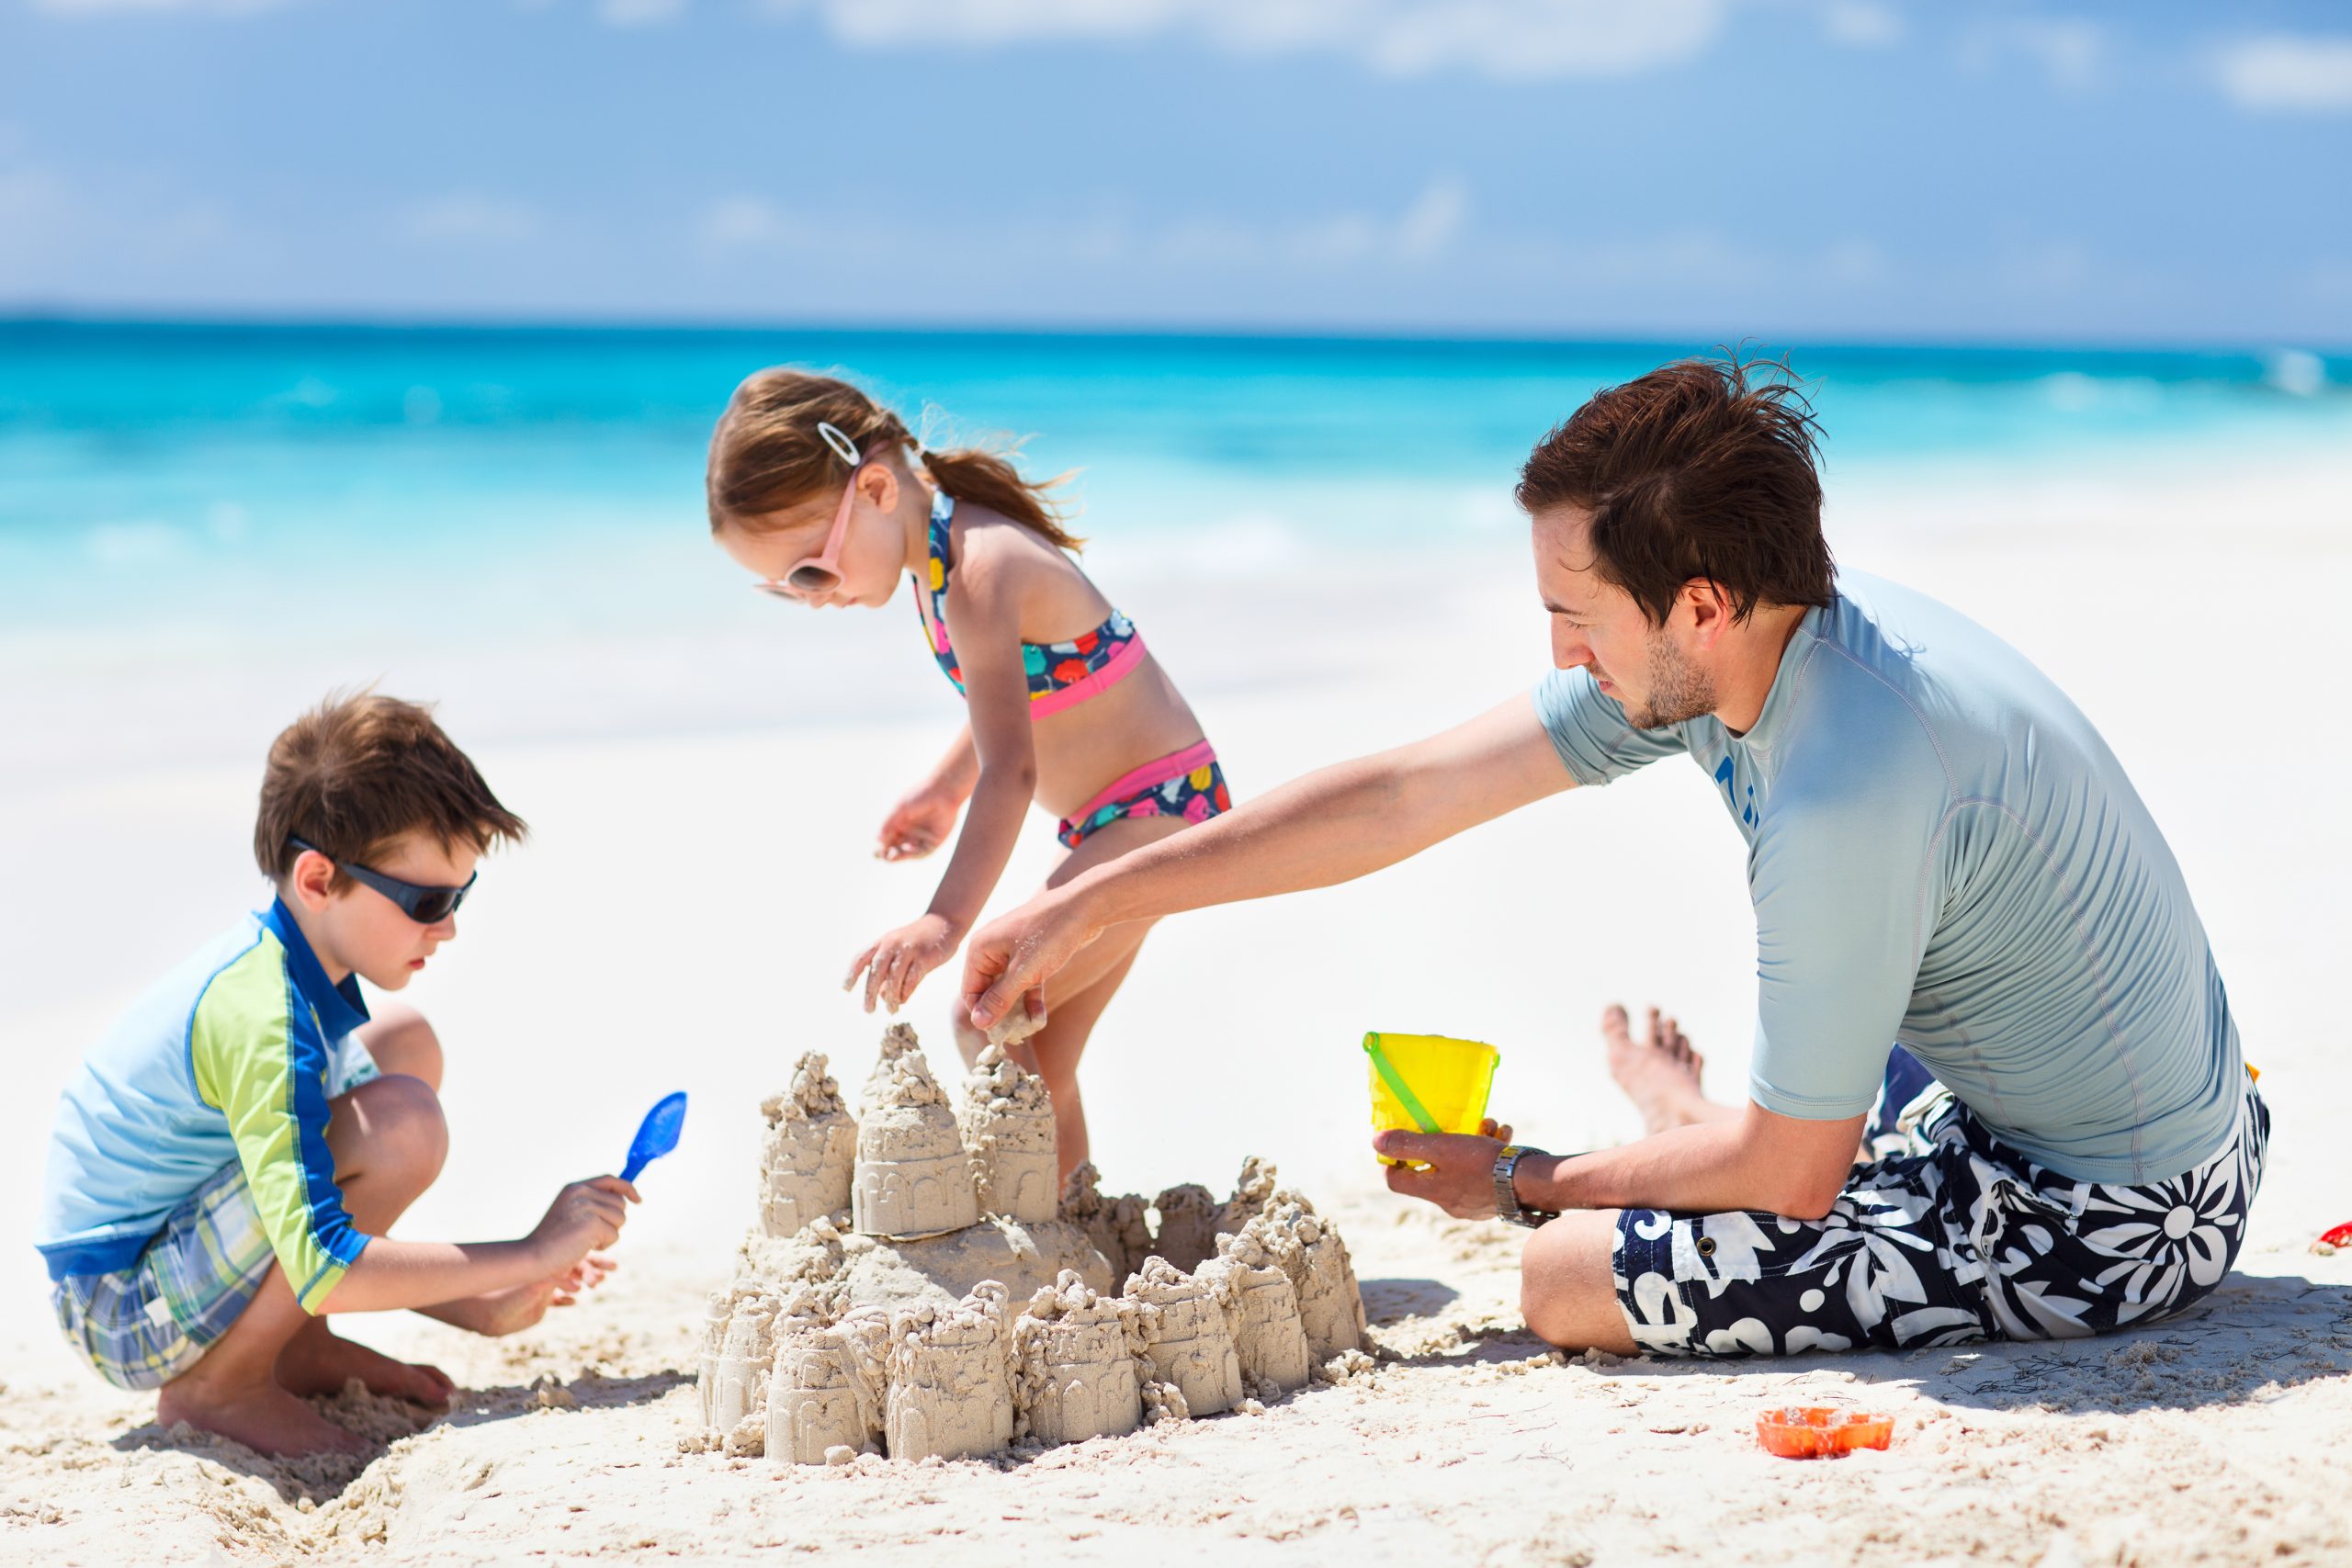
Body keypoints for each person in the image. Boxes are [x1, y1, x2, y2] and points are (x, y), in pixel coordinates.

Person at [959, 356, 2267, 1359]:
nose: (1559, 658)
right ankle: (1710, 1128)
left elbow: (1793, 1181)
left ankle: (1704, 1132)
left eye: (1576, 619)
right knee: (1762, 1144)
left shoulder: (1844, 784)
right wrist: (1103, 892)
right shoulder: (1757, 638)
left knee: (1565, 1276)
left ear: (1697, 600)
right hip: (2074, 1101)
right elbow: (1409, 793)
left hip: (2112, 1216)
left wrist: (1517, 1179)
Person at [35, 693, 638, 1455]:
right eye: (427, 899)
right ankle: (221, 1386)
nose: (449, 925)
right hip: (119, 1304)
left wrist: (478, 1302)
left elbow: (316, 1208)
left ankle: (295, 1344)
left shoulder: (294, 966)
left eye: (461, 894)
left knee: (405, 1045)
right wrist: (529, 1253)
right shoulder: (264, 1015)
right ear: (318, 879)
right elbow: (322, 1257)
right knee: (402, 1124)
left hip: (174, 1252)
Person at [706, 369, 1231, 1174]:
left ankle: (1050, 1220)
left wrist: (944, 922)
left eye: (809, 571)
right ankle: (1074, 1222)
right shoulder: (939, 562)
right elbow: (1018, 703)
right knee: (1040, 1049)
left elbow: (1013, 771)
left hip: (1160, 810)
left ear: (876, 488)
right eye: (784, 588)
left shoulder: (980, 572)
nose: (810, 598)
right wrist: (946, 787)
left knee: (985, 1009)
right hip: (1128, 813)